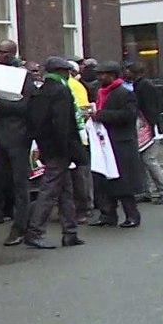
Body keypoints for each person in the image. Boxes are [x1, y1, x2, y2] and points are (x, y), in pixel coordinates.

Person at [25, 57, 87, 248]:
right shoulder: (61, 91)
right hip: (60, 149)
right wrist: (67, 150)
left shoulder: (41, 91)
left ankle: (70, 232)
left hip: (48, 146)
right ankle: (35, 232)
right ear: (62, 71)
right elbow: (61, 124)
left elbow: (36, 122)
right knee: (49, 191)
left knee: (65, 190)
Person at [0, 40, 36, 245]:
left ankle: (21, 226)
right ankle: (14, 219)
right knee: (4, 182)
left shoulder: (23, 76)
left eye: (3, 52)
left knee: (20, 184)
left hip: (18, 136)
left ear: (13, 53)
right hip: (0, 135)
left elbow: (25, 106)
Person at [91, 62, 143, 228]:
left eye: (103, 74)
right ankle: (108, 214)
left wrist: (101, 115)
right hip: (104, 142)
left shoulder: (124, 93)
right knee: (104, 179)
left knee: (122, 181)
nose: (99, 77)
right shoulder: (100, 92)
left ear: (113, 75)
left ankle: (132, 215)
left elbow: (128, 116)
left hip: (121, 142)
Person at [125, 62, 163, 203]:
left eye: (128, 71)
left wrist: (150, 125)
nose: (126, 73)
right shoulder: (141, 85)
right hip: (146, 125)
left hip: (147, 126)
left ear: (135, 72)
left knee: (149, 159)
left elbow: (149, 107)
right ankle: (147, 190)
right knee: (143, 158)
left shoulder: (143, 86)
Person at [68, 61, 95, 222]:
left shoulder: (76, 86)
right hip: (71, 136)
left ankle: (85, 206)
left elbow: (84, 111)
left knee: (81, 174)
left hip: (78, 137)